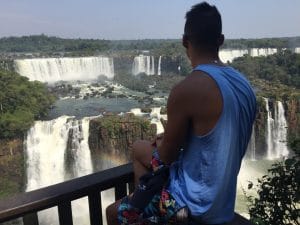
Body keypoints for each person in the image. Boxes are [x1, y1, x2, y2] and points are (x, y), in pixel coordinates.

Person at [106, 2, 256, 225]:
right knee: (140, 148)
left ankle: (142, 211)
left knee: (113, 211)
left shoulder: (186, 89)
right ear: (220, 40)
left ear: (185, 41)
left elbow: (165, 158)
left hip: (192, 208)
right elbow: (211, 143)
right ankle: (146, 208)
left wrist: (164, 142)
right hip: (223, 206)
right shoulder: (245, 86)